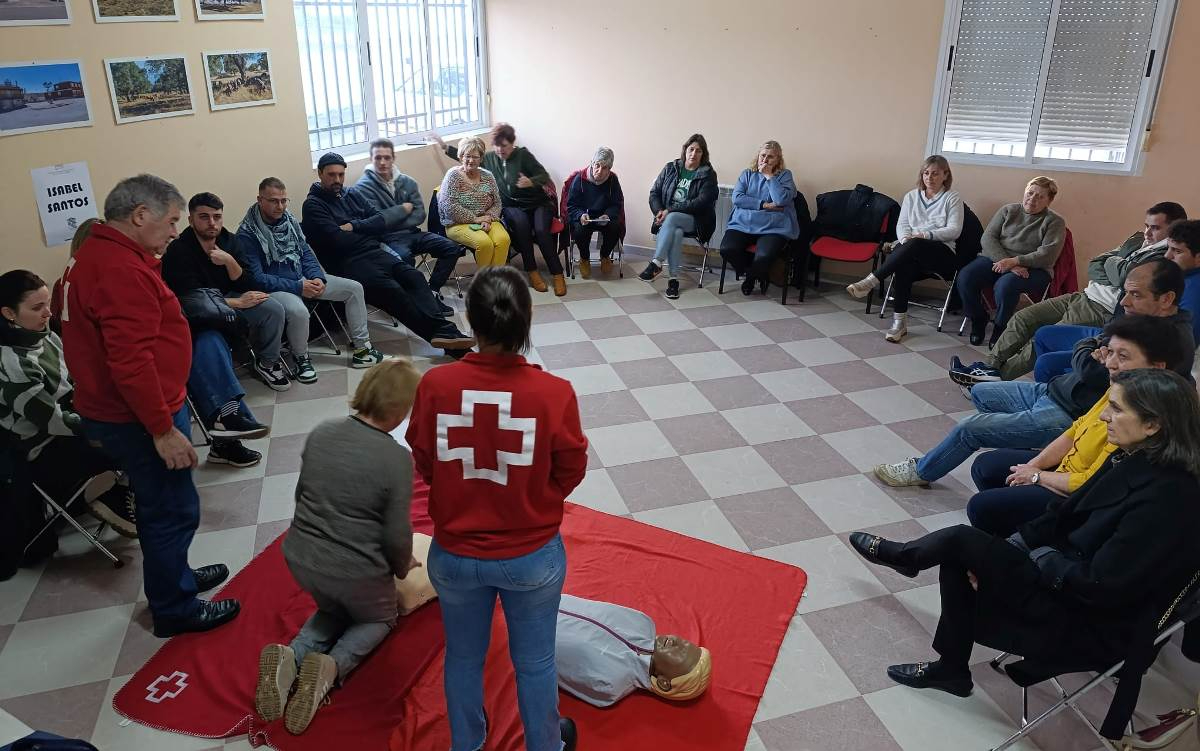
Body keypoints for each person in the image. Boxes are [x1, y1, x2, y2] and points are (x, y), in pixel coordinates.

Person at [848, 368, 1200, 742]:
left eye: (1116, 409)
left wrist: (1033, 559)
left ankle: (911, 566)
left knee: (962, 543)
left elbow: (1103, 584)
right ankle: (948, 662)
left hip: (1091, 619)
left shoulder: (1170, 499)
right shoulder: (1133, 457)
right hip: (1069, 579)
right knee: (966, 552)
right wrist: (1013, 550)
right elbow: (1062, 515)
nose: (1103, 417)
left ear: (1152, 424)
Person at [406, 266, 589, 751]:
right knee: (536, 662)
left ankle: (467, 743)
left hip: (454, 554)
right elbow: (571, 467)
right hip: (530, 555)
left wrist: (459, 491)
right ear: (526, 321)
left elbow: (422, 457)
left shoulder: (435, 386)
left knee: (463, 658)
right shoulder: (554, 393)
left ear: (471, 320)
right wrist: (536, 498)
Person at [59, 174, 240, 637]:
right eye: (172, 221)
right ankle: (175, 607)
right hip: (139, 415)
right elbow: (131, 363)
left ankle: (175, 576)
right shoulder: (120, 270)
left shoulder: (96, 254)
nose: (176, 232)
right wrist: (162, 429)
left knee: (165, 502)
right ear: (141, 215)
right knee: (172, 509)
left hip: (126, 409)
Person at [255, 359, 422, 735]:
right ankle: (330, 668)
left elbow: (302, 494)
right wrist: (403, 566)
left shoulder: (322, 431)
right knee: (377, 618)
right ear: (399, 411)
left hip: (301, 556)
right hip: (356, 570)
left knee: (334, 608)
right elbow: (396, 532)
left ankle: (292, 656)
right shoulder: (396, 458)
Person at [873, 303, 1192, 489]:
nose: (1124, 299)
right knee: (981, 391)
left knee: (971, 428)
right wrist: (1092, 348)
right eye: (1110, 353)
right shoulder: (1129, 333)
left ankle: (922, 471)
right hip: (1051, 392)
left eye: (1136, 294)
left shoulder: (1142, 375)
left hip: (1065, 413)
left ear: (1165, 300)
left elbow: (1087, 368)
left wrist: (1094, 353)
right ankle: (1020, 436)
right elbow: (1087, 349)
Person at [950, 202, 1186, 383]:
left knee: (1041, 338)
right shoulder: (1136, 240)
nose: (1147, 232)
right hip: (1084, 295)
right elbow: (1096, 263)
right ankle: (988, 367)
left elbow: (1124, 278)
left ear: (1173, 229)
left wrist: (1114, 264)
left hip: (1100, 308)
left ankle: (993, 380)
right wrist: (1115, 266)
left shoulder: (1164, 257)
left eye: (1155, 228)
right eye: (1146, 225)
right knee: (1023, 317)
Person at [0, 270, 137, 539]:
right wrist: (106, 422)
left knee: (139, 420)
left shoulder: (46, 336)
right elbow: (53, 421)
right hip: (45, 448)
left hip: (72, 425)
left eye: (47, 304)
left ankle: (115, 493)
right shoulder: (11, 364)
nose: (48, 313)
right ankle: (111, 494)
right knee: (136, 439)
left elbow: (79, 381)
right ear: (8, 313)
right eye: (37, 308)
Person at [301, 152, 475, 357]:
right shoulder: (313, 205)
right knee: (395, 293)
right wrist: (366, 229)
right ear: (320, 174)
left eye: (341, 174)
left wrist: (354, 226)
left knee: (415, 277)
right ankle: (452, 340)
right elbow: (338, 241)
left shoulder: (351, 194)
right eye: (331, 175)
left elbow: (381, 221)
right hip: (348, 263)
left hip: (375, 252)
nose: (337, 180)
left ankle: (447, 335)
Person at [236, 177, 386, 378]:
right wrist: (299, 287)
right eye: (273, 201)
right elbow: (258, 279)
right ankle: (301, 359)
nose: (280, 206)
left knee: (354, 288)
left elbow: (305, 252)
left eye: (283, 200)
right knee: (299, 311)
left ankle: (363, 349)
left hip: (303, 277)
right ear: (260, 200)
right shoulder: (247, 234)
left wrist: (317, 277)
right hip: (276, 288)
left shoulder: (289, 220)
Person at [161, 192, 291, 392]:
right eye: (204, 217)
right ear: (191, 220)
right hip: (201, 309)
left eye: (217, 217)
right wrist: (238, 303)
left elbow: (248, 282)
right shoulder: (178, 250)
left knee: (273, 308)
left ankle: (268, 362)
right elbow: (190, 300)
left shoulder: (230, 240)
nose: (212, 223)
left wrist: (229, 261)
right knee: (213, 329)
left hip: (230, 296)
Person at [845, 155, 965, 343]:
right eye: (926, 173)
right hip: (912, 250)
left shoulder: (952, 198)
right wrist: (905, 240)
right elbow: (902, 226)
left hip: (942, 254)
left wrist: (924, 235)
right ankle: (899, 323)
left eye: (935, 173)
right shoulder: (911, 196)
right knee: (903, 264)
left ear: (945, 175)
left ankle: (871, 280)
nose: (930, 178)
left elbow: (954, 230)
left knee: (914, 244)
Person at [437, 125, 566, 296]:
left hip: (537, 203)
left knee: (542, 230)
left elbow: (544, 176)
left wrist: (531, 181)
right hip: (512, 206)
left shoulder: (523, 156)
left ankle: (557, 274)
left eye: (504, 146)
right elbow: (468, 157)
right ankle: (532, 271)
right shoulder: (489, 159)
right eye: (497, 146)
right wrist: (445, 147)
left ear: (512, 144)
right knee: (521, 227)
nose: (500, 150)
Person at [347, 139, 466, 297]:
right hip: (387, 239)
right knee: (404, 258)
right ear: (371, 159)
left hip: (413, 233)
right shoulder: (362, 188)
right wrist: (403, 209)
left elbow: (419, 214)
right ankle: (414, 296)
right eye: (378, 158)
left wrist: (391, 217)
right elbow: (377, 222)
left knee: (452, 248)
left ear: (393, 158)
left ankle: (432, 290)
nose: (382, 162)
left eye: (387, 157)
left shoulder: (407, 182)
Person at [957, 177, 1066, 347]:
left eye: (1040, 196)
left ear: (1049, 200)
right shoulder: (1008, 210)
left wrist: (1015, 261)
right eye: (1030, 193)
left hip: (1035, 268)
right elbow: (988, 238)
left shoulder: (1054, 221)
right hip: (997, 259)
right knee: (966, 277)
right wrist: (1007, 263)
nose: (1032, 199)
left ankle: (1000, 329)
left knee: (1006, 286)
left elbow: (1047, 254)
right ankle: (978, 319)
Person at [555, 594, 712, 708]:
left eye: (681, 653)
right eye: (685, 643)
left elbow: (560, 671)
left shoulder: (611, 682)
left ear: (663, 682)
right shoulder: (642, 622)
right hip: (550, 595)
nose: (676, 641)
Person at [638, 134, 719, 301]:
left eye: (698, 151)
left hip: (697, 220)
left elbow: (701, 202)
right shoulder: (671, 168)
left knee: (673, 218)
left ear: (703, 154)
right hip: (669, 219)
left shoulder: (708, 174)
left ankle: (656, 262)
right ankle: (673, 281)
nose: (694, 153)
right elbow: (654, 193)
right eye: (691, 149)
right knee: (676, 231)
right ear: (685, 150)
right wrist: (659, 211)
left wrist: (669, 211)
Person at [718, 141, 800, 296]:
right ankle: (755, 273)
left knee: (764, 256)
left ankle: (750, 278)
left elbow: (781, 200)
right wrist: (765, 205)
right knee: (727, 249)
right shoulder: (747, 174)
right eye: (763, 155)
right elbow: (737, 198)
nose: (765, 160)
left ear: (778, 159)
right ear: (758, 156)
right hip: (743, 223)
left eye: (770, 157)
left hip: (774, 227)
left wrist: (769, 176)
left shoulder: (785, 175)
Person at [437, 136, 512, 269]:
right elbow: (449, 206)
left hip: (486, 219)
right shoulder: (453, 176)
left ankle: (494, 277)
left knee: (503, 240)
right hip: (457, 223)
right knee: (484, 243)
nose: (471, 160)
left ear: (481, 158)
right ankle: (484, 279)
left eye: (475, 157)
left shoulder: (488, 176)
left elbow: (497, 202)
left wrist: (488, 218)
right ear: (461, 157)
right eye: (467, 156)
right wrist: (476, 219)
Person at [566, 147, 624, 280]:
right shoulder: (580, 178)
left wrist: (608, 215)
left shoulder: (613, 180)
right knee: (579, 231)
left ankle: (605, 256)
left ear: (609, 169)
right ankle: (584, 258)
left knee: (615, 227)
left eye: (604, 168)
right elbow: (571, 205)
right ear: (592, 164)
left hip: (604, 216)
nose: (599, 170)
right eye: (597, 165)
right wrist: (580, 215)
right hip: (585, 217)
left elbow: (617, 204)